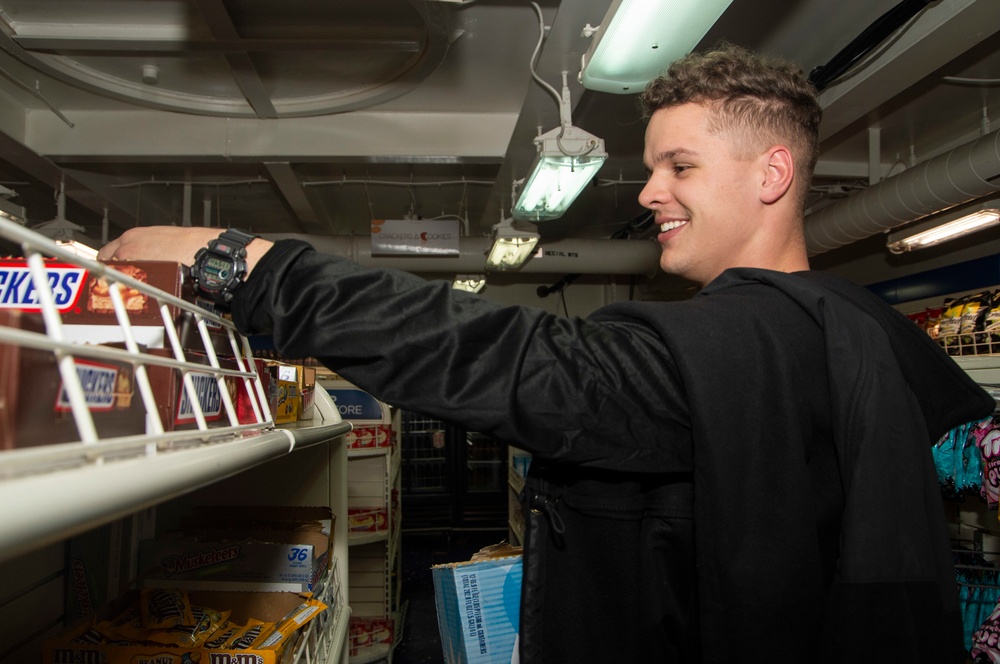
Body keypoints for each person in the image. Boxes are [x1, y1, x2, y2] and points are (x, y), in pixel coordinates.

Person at [99, 44, 994, 663]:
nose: (649, 193)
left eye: (679, 167)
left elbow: (507, 359)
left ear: (770, 175)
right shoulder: (854, 330)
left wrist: (245, 268)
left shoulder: (740, 344)